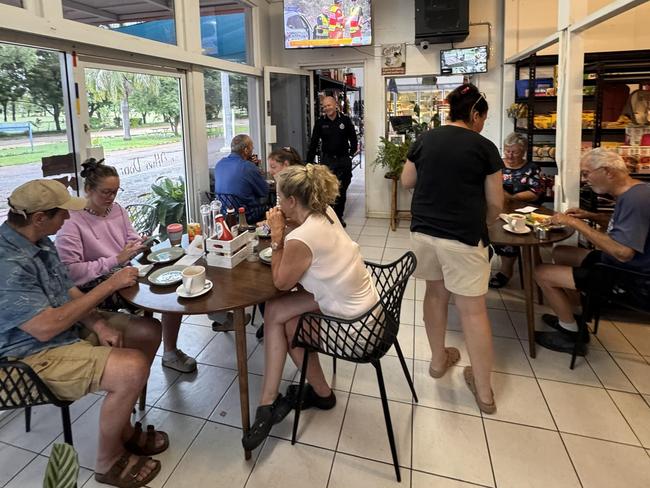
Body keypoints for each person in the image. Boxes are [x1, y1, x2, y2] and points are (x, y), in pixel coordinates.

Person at [0, 179, 167, 488]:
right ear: (39, 217)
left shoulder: (39, 240)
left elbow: (66, 289)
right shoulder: (7, 263)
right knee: (132, 368)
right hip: (28, 356)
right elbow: (45, 327)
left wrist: (99, 324)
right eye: (61, 213)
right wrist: (110, 284)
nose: (67, 218)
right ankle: (108, 460)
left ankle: (123, 426)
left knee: (147, 330)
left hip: (64, 330)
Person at [241, 164, 379, 450]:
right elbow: (301, 229)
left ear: (292, 201)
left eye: (279, 199)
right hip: (367, 308)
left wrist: (278, 238)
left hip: (355, 328)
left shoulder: (302, 240)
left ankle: (296, 398)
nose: (277, 204)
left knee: (290, 325)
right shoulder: (324, 212)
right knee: (277, 312)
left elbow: (280, 282)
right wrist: (284, 226)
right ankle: (274, 400)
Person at [401, 83, 503, 414]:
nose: (482, 123)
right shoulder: (484, 147)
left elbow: (407, 181)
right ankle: (484, 392)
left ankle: (436, 361)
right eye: (483, 117)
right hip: (462, 237)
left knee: (434, 295)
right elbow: (496, 203)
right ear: (475, 114)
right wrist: (486, 224)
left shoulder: (426, 139)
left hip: (423, 234)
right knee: (473, 311)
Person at [54, 160, 196, 374]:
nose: (111, 198)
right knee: (163, 292)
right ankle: (151, 355)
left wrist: (139, 243)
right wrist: (116, 259)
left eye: (115, 192)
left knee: (171, 280)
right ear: (88, 189)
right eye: (106, 192)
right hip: (92, 284)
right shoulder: (71, 221)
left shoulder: (116, 209)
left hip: (122, 269)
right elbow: (71, 272)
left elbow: (130, 237)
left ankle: (169, 351)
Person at [534, 148, 650, 354]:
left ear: (608, 171)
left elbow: (623, 252)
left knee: (541, 273)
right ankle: (575, 316)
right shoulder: (636, 190)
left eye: (586, 173)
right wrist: (590, 216)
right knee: (561, 252)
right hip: (619, 263)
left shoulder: (635, 200)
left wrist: (574, 223)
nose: (584, 179)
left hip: (631, 277)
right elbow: (621, 226)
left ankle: (570, 334)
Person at [489, 132, 545, 288]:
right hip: (498, 209)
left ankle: (505, 272)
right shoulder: (497, 166)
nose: (510, 155)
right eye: (507, 151)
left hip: (523, 212)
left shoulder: (531, 168)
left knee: (512, 235)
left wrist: (511, 197)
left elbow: (535, 193)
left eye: (515, 152)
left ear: (523, 151)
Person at [306, 96, 358, 227]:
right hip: (328, 160)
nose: (327, 108)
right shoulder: (320, 122)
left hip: (343, 160)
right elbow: (313, 143)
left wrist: (351, 155)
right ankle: (328, 216)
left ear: (335, 105)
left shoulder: (345, 120)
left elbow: (354, 139)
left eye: (329, 105)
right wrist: (308, 162)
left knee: (341, 190)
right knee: (326, 190)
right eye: (324, 106)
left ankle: (338, 217)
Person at [214, 134, 269, 222]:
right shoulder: (248, 167)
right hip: (247, 214)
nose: (252, 150)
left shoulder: (219, 164)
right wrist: (256, 168)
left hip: (224, 213)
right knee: (270, 203)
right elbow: (264, 191)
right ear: (246, 150)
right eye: (252, 148)